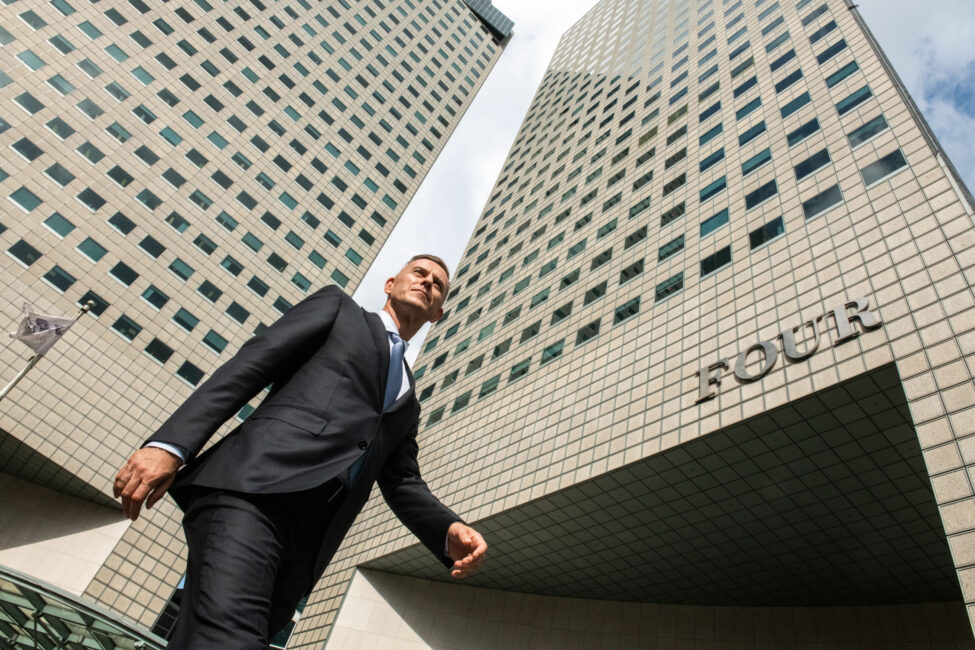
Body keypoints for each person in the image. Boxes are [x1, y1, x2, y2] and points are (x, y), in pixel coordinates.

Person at [113, 254, 487, 648]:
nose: (428, 282)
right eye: (420, 273)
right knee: (229, 638)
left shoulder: (408, 403)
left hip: (308, 542)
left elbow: (402, 481)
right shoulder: (339, 309)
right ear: (390, 284)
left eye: (437, 284)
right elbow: (249, 367)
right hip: (255, 492)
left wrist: (446, 529)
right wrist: (171, 445)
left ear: (438, 314)